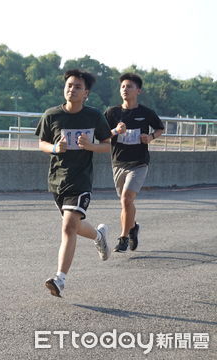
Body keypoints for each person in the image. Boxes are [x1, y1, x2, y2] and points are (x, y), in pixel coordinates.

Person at [35, 69, 113, 298]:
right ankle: (99, 237)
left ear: (86, 93)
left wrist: (90, 146)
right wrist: (54, 148)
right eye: (69, 85)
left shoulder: (94, 116)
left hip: (81, 180)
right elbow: (42, 143)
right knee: (75, 226)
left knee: (68, 226)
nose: (72, 89)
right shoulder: (51, 115)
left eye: (77, 86)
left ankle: (60, 279)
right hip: (58, 181)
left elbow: (108, 145)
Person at [104, 73, 165, 252]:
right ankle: (133, 227)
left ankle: (122, 238)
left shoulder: (146, 113)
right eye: (123, 86)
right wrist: (115, 131)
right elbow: (101, 135)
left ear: (138, 91)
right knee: (126, 203)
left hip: (139, 163)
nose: (125, 89)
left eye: (129, 86)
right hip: (118, 163)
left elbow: (160, 128)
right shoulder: (112, 113)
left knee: (126, 198)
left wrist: (151, 137)